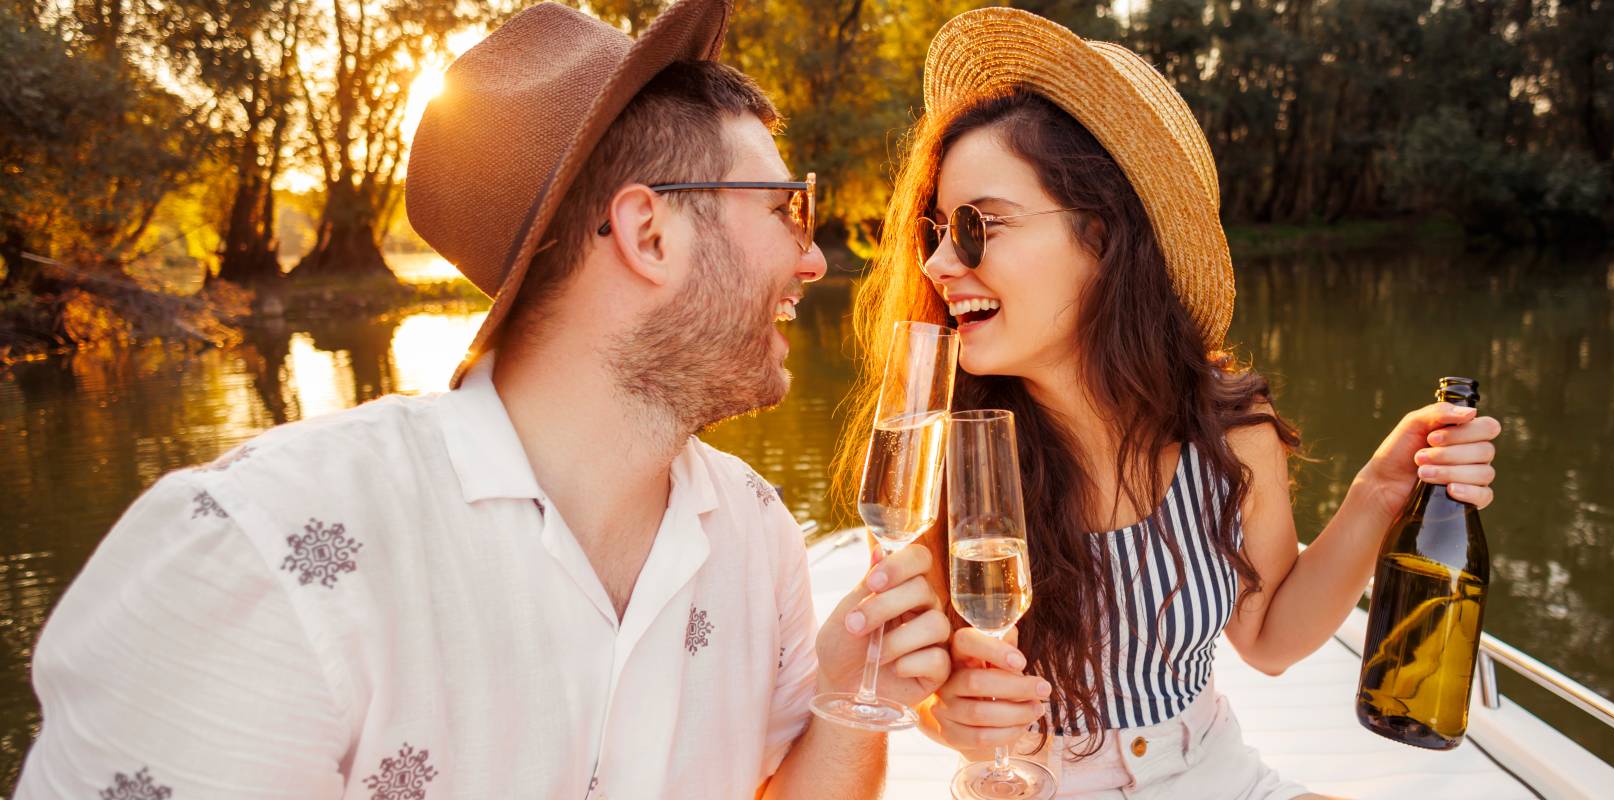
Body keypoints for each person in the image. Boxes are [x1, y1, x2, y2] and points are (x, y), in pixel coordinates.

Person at [17, 2, 951, 797]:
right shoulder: (256, 553)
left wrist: (846, 697)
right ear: (650, 235)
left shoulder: (757, 536)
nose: (812, 257)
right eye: (785, 209)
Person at [835, 8, 1503, 798]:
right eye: (937, 231)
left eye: (978, 226)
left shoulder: (1229, 429)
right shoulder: (934, 456)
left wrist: (1380, 492)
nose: (940, 262)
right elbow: (928, 688)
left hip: (1217, 773)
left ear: (1103, 236)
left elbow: (1269, 640)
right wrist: (952, 715)